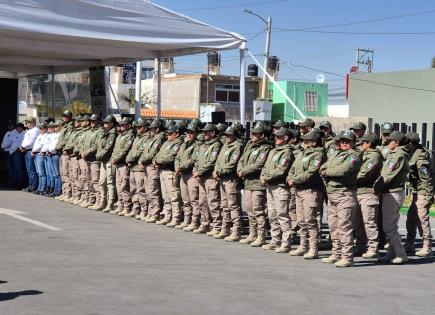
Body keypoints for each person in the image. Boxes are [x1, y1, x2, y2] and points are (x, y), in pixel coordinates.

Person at [320, 131, 361, 268]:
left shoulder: (353, 155)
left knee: (344, 227)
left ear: (353, 143)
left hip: (345, 194)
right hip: (333, 193)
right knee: (334, 226)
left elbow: (344, 170)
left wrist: (327, 172)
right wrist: (325, 169)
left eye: (347, 141)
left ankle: (347, 257)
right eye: (342, 141)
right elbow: (324, 165)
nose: (344, 143)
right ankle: (336, 253)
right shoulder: (337, 153)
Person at [287, 129, 325, 259]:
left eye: (307, 140)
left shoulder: (318, 155)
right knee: (301, 221)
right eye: (303, 140)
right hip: (299, 190)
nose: (304, 142)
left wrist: (294, 180)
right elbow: (292, 168)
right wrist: (289, 178)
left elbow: (311, 172)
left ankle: (313, 248)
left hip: (311, 190)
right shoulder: (302, 153)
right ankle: (303, 246)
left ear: (314, 142)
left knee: (310, 220)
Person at [374, 131, 409, 264]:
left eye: (390, 141)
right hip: (391, 191)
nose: (387, 143)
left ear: (397, 142)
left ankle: (401, 254)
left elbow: (387, 174)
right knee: (390, 226)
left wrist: (376, 187)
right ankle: (391, 254)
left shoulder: (397, 155)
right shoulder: (395, 154)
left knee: (389, 227)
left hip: (393, 192)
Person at [237, 122, 272, 247]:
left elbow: (259, 164)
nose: (252, 135)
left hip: (257, 184)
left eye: (255, 133)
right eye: (252, 133)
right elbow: (241, 159)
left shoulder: (265, 148)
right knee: (250, 210)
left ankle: (261, 236)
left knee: (258, 210)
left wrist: (244, 171)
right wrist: (240, 170)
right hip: (247, 183)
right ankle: (253, 234)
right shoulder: (250, 146)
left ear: (262, 135)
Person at [260, 128, 294, 253]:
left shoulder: (287, 152)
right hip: (270, 186)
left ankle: (286, 243)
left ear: (286, 138)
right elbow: (265, 166)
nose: (276, 139)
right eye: (275, 137)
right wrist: (263, 176)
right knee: (272, 215)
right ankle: (275, 240)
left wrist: (267, 177)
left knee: (282, 215)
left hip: (280, 187)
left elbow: (281, 169)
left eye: (279, 137)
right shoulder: (273, 151)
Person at [404, 132, 433, 257]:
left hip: (423, 192)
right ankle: (409, 244)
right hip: (416, 191)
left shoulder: (421, 158)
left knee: (422, 219)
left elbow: (426, 178)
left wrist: (428, 195)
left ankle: (427, 246)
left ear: (411, 144)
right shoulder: (412, 154)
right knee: (410, 218)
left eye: (406, 143)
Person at [213, 125, 244, 241]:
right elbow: (218, 161)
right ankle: (225, 229)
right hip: (222, 178)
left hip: (231, 179)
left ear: (235, 135)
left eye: (229, 134)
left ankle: (236, 231)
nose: (227, 136)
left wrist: (220, 171)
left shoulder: (237, 147)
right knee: (224, 205)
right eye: (226, 134)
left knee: (233, 206)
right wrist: (215, 171)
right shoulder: (225, 146)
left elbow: (232, 163)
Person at [356, 132, 383, 258]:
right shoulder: (364, 154)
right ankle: (361, 245)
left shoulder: (374, 157)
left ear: (369, 143)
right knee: (359, 222)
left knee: (369, 222)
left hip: (368, 192)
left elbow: (365, 173)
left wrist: (349, 178)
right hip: (360, 191)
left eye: (363, 142)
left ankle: (373, 248)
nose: (361, 144)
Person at [192, 123, 222, 235]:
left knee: (213, 203)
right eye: (204, 132)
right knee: (202, 202)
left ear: (213, 133)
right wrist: (195, 170)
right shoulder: (204, 145)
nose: (204, 134)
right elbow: (198, 160)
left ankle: (217, 226)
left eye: (207, 132)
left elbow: (211, 162)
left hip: (210, 178)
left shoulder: (216, 145)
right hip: (201, 178)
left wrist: (199, 172)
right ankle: (205, 224)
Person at [153, 124, 183, 226]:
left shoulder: (177, 143)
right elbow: (158, 154)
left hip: (170, 171)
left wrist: (158, 161)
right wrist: (155, 161)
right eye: (168, 133)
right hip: (162, 170)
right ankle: (167, 216)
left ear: (177, 134)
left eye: (171, 133)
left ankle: (176, 217)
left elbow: (170, 157)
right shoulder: (166, 142)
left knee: (173, 196)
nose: (168, 135)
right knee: (166, 196)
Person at [175, 120, 202, 230]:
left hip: (191, 175)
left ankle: (195, 221)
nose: (190, 134)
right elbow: (177, 157)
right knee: (185, 200)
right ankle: (187, 219)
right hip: (183, 174)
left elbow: (194, 159)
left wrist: (181, 166)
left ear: (196, 134)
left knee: (193, 200)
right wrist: (177, 166)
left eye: (192, 132)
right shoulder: (184, 144)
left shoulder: (198, 145)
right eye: (188, 132)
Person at [139, 119, 166, 223]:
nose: (150, 130)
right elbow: (145, 151)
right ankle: (151, 211)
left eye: (152, 129)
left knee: (153, 190)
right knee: (148, 190)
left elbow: (152, 153)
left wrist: (142, 160)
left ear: (157, 129)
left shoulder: (159, 139)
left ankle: (155, 213)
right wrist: (141, 160)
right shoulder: (152, 138)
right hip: (147, 166)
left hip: (152, 167)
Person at [125, 118, 151, 218]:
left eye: (140, 127)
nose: (138, 129)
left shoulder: (146, 138)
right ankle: (136, 208)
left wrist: (130, 159)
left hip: (140, 167)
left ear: (145, 127)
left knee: (141, 190)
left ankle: (144, 210)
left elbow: (140, 151)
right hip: (133, 167)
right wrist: (128, 159)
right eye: (137, 127)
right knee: (133, 189)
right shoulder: (137, 137)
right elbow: (132, 150)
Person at [110, 117, 134, 215]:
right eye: (121, 124)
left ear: (129, 125)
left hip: (123, 164)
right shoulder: (120, 135)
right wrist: (113, 158)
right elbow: (115, 149)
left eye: (124, 124)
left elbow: (125, 150)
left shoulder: (130, 136)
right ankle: (121, 206)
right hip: (117, 164)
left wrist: (116, 159)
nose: (121, 126)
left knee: (124, 186)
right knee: (118, 186)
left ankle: (127, 207)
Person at [80, 114, 104, 208]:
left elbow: (97, 145)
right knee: (88, 180)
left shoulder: (100, 131)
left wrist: (87, 152)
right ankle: (91, 199)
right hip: (87, 159)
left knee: (95, 180)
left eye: (94, 121)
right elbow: (82, 143)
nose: (92, 122)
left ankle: (98, 201)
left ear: (98, 121)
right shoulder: (89, 131)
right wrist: (82, 151)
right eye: (91, 121)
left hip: (94, 160)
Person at [95, 114, 118, 212]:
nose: (105, 124)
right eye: (104, 122)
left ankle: (110, 203)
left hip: (108, 160)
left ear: (112, 124)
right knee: (101, 182)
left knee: (110, 183)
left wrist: (99, 155)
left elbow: (108, 148)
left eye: (107, 122)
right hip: (103, 160)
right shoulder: (105, 132)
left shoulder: (112, 134)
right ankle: (102, 202)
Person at [55, 110, 75, 201]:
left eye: (66, 116)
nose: (64, 117)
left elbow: (67, 139)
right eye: (64, 116)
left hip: (65, 152)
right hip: (62, 151)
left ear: (70, 117)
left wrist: (61, 147)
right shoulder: (65, 126)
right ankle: (65, 192)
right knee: (63, 173)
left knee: (66, 173)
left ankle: (68, 193)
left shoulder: (70, 126)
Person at [20, 117, 40, 192]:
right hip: (26, 150)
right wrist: (22, 146)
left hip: (30, 150)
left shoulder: (35, 130)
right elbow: (25, 141)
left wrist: (22, 146)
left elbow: (32, 142)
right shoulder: (29, 131)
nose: (27, 124)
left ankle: (33, 186)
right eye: (27, 122)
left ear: (33, 123)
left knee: (31, 169)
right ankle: (30, 185)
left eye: (28, 122)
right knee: (29, 170)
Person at [47, 121, 62, 197]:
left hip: (56, 154)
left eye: (56, 126)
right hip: (51, 154)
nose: (54, 128)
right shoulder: (54, 135)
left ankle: (58, 190)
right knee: (54, 174)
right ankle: (55, 190)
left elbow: (57, 145)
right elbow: (49, 144)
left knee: (57, 174)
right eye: (54, 126)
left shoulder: (60, 134)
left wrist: (51, 150)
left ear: (60, 126)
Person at [31, 123, 48, 195]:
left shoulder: (46, 136)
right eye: (39, 128)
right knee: (38, 173)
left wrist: (34, 151)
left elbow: (41, 145)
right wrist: (33, 151)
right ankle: (39, 187)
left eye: (41, 128)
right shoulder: (39, 136)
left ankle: (42, 188)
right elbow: (35, 145)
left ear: (45, 129)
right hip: (36, 154)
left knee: (42, 173)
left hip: (39, 154)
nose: (40, 130)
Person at [8, 123, 25, 188]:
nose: (16, 129)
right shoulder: (16, 134)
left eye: (17, 127)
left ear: (21, 128)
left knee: (18, 168)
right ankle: (16, 182)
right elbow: (13, 144)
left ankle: (20, 182)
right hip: (13, 153)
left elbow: (22, 144)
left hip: (18, 152)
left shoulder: (23, 135)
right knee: (15, 168)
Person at [1, 120, 17, 187]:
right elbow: (3, 141)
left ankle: (13, 182)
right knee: (7, 168)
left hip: (10, 152)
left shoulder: (15, 132)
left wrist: (3, 146)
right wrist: (2, 146)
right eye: (9, 125)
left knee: (11, 168)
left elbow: (11, 142)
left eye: (11, 125)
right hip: (5, 151)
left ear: (13, 126)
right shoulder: (7, 132)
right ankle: (8, 181)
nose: (9, 126)